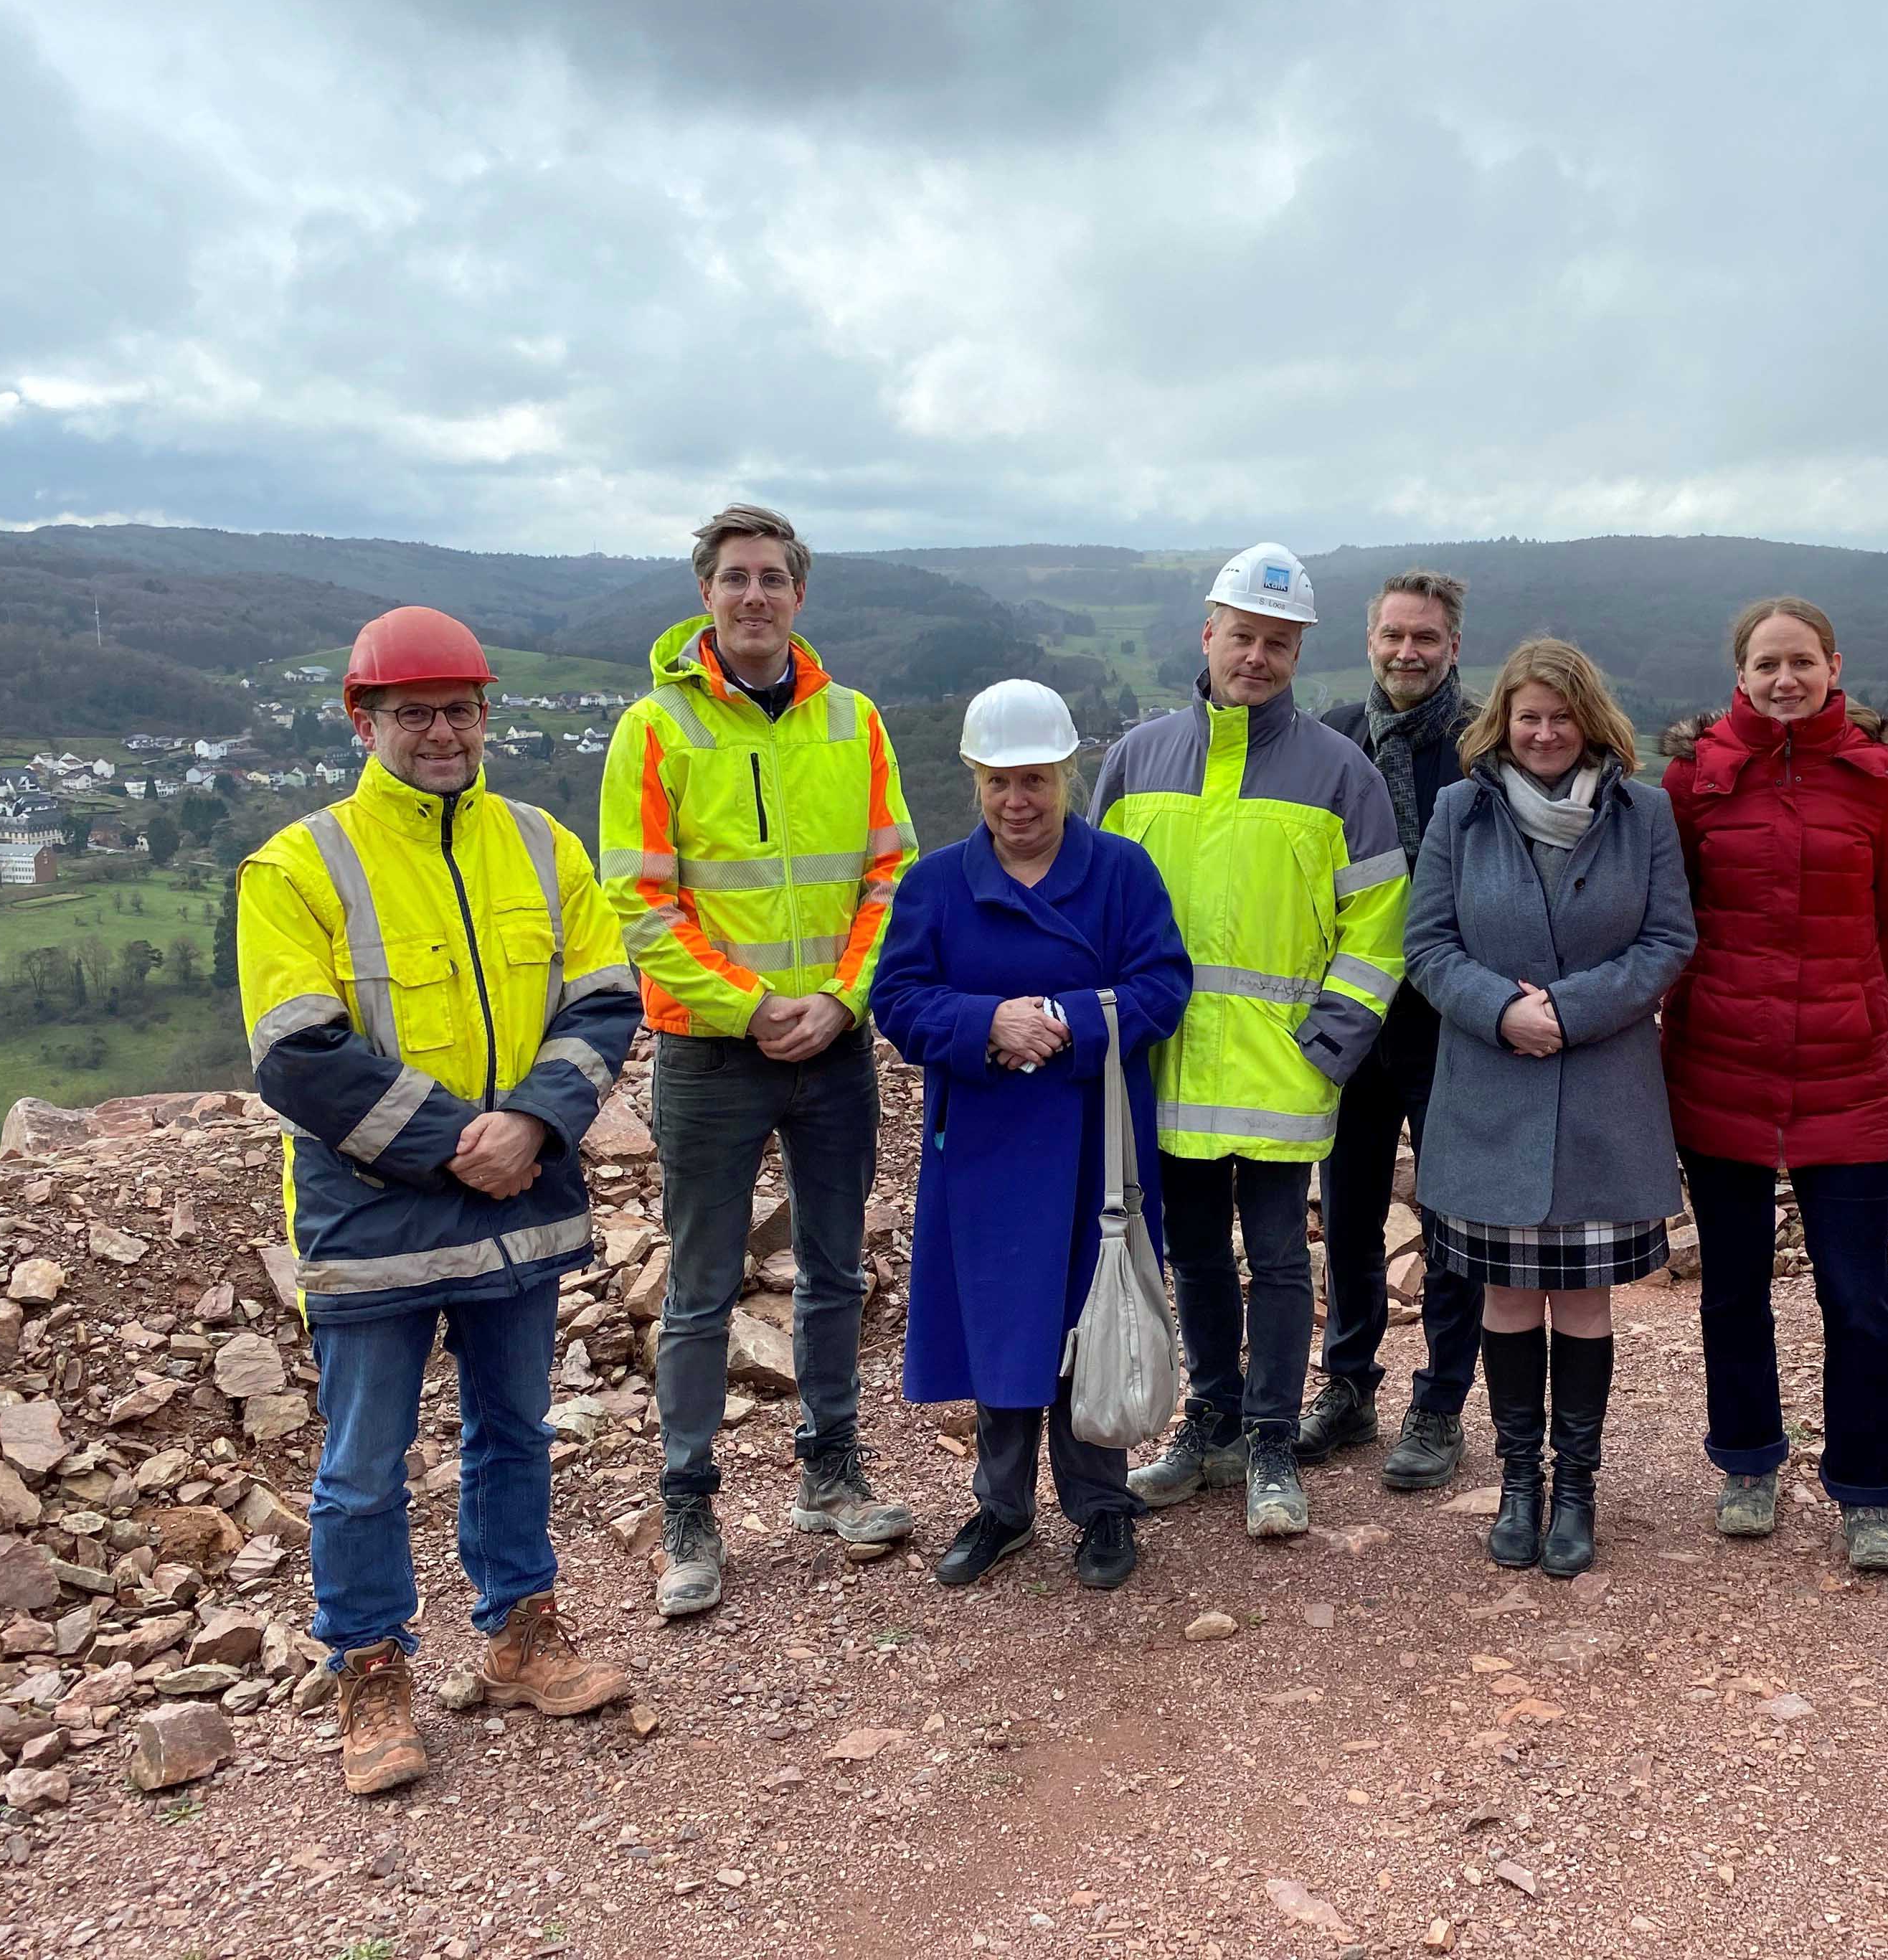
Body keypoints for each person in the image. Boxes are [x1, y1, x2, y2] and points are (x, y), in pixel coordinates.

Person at [238, 607, 641, 1796]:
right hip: (376, 1212)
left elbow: (605, 997)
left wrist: (528, 1123)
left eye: (459, 707)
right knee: (365, 1461)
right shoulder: (298, 865)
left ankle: (521, 1627)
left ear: (485, 712)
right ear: (363, 721)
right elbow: (296, 1052)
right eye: (412, 711)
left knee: (514, 1431)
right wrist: (455, 1141)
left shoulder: (542, 845)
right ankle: (371, 1666)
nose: (441, 730)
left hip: (516, 1193)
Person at [599, 503, 920, 1620]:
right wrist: (753, 1007)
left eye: (771, 578)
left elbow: (891, 880)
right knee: (699, 1290)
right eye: (733, 578)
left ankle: (830, 1475)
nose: (752, 596)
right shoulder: (655, 730)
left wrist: (838, 1001)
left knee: (837, 1272)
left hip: (833, 1047)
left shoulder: (855, 722)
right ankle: (690, 1507)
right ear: (706, 595)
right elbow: (640, 903)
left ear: (799, 595)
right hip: (708, 1054)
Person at [1090, 542, 1408, 1540]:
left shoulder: (1339, 773)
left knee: (1276, 1258)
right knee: (1193, 1259)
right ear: (1209, 635)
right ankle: (1210, 1426)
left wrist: (1333, 1040)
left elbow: (1379, 921)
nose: (1257, 657)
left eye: (1278, 643)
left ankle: (1271, 1440)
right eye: (1244, 637)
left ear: (1299, 649)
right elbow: (1091, 905)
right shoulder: (1137, 760)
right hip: (1169, 1066)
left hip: (1282, 1075)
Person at [868, 681, 1191, 1593]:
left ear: (1067, 776)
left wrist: (1065, 1019)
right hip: (984, 1145)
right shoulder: (936, 884)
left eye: (1038, 782)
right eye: (1001, 782)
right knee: (1000, 1321)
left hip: (1097, 1141)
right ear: (976, 781)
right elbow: (897, 1000)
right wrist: (985, 1025)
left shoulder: (1123, 873)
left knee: (1094, 1316)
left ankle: (1101, 1506)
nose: (1019, 802)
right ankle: (1004, 1509)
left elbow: (1164, 986)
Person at [1404, 639, 1694, 1578]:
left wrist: (1566, 1011)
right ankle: (1519, 1482)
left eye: (1559, 717)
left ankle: (1577, 1490)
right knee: (1507, 1295)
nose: (1542, 733)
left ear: (1590, 721)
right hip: (1491, 1088)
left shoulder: (1642, 813)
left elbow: (1667, 940)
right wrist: (1502, 1011)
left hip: (1603, 1091)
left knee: (1583, 1298)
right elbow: (1428, 944)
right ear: (1504, 723)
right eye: (1527, 717)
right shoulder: (1461, 810)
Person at [1659, 598, 1888, 1568]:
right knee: (1733, 1287)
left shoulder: (1876, 780)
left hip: (1843, 1075)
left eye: (1801, 663)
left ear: (1832, 667)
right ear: (1739, 674)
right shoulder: (1695, 779)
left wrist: (1847, 1000)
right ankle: (1746, 1463)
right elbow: (1673, 909)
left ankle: (1868, 1493)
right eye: (1767, 663)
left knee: (1858, 1296)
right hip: (1717, 1067)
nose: (1785, 679)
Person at [1304, 571, 1487, 1489]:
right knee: (1348, 1211)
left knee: (1454, 1215)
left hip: (1452, 1018)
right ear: (1369, 641)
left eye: (1425, 638)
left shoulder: (1487, 742)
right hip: (1353, 1010)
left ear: (1453, 645)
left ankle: (1441, 1402)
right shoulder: (1332, 739)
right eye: (1391, 637)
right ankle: (1347, 1385)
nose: (1407, 652)